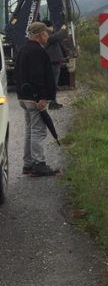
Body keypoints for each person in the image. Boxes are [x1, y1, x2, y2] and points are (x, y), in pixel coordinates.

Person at [15, 22, 59, 177]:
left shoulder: (22, 49)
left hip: (23, 96)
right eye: (46, 33)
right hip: (35, 98)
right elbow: (38, 76)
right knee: (38, 131)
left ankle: (27, 164)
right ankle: (38, 164)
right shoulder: (37, 52)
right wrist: (42, 97)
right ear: (41, 34)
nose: (48, 36)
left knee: (29, 130)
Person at [41, 20, 69, 110]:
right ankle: (52, 102)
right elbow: (57, 37)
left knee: (54, 82)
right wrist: (63, 29)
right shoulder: (47, 36)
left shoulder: (47, 35)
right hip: (53, 62)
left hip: (54, 61)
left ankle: (54, 101)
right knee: (53, 82)